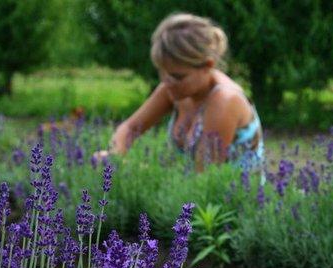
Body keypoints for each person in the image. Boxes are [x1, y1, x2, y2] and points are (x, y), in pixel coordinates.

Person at [94, 12, 265, 173]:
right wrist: (114, 155)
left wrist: (132, 169)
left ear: (208, 66)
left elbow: (202, 178)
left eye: (178, 76)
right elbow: (130, 128)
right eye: (162, 71)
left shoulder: (225, 101)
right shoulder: (175, 89)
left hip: (228, 200)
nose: (167, 82)